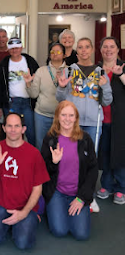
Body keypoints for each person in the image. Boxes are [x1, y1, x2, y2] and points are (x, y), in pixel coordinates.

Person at [56, 37, 113, 213]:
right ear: (76, 50)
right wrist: (62, 87)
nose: (83, 50)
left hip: (93, 123)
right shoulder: (69, 71)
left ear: (92, 50)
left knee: (90, 161)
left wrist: (106, 87)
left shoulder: (100, 72)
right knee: (71, 159)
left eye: (87, 47)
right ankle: (70, 193)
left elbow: (107, 101)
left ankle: (89, 196)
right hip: (73, 123)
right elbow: (60, 99)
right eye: (80, 47)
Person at [0, 112, 49, 250]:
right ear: (4, 128)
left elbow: (38, 189)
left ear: (23, 129)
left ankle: (30, 219)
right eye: (9, 126)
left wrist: (24, 213)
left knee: (23, 244)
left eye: (17, 126)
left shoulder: (34, 154)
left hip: (26, 207)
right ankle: (13, 225)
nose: (13, 130)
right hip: (1, 205)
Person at [41, 101, 98, 240]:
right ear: (57, 117)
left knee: (81, 234)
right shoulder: (50, 139)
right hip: (57, 191)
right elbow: (43, 171)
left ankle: (77, 208)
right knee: (60, 231)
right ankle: (55, 208)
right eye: (63, 115)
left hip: (78, 192)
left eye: (71, 115)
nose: (67, 119)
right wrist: (54, 163)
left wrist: (82, 198)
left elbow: (93, 170)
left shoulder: (85, 139)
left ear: (76, 118)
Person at [0, 37, 39, 146]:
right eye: (12, 48)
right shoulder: (4, 64)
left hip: (28, 102)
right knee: (11, 132)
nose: (15, 50)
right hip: (11, 102)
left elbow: (38, 79)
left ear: (21, 48)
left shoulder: (30, 61)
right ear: (9, 50)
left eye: (17, 48)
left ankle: (32, 156)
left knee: (31, 133)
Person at [97, 37, 125, 205]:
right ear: (100, 50)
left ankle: (121, 188)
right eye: (105, 46)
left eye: (111, 46)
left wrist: (120, 74)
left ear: (117, 49)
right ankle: (106, 185)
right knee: (105, 152)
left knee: (120, 152)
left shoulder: (123, 67)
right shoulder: (97, 69)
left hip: (120, 119)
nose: (108, 49)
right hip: (101, 120)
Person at [24, 42, 67, 149]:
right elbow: (33, 95)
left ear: (64, 55)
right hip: (41, 115)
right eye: (52, 52)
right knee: (41, 145)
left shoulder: (70, 71)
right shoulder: (41, 71)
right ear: (49, 55)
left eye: (58, 52)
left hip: (62, 117)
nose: (55, 54)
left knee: (61, 146)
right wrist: (28, 83)